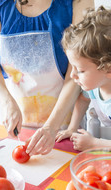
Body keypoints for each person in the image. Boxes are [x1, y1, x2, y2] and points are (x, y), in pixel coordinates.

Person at [0, 0, 94, 156]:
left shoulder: (79, 2)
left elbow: (75, 74)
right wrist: (7, 103)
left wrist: (51, 127)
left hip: (64, 129)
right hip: (18, 126)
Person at [56, 6, 111, 151]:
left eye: (80, 70)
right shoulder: (96, 85)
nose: (72, 75)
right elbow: (82, 100)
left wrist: (94, 144)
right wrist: (72, 128)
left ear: (108, 69)